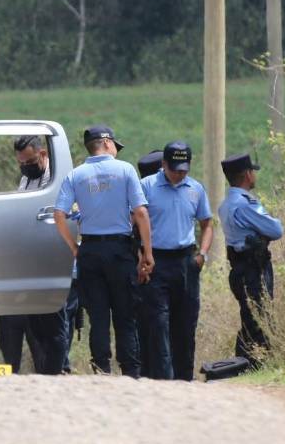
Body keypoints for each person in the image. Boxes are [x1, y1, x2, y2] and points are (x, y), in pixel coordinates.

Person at [53, 125, 153, 377]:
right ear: (107, 143)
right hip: (120, 250)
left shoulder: (75, 175)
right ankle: (130, 371)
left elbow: (58, 215)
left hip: (90, 251)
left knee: (98, 316)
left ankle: (101, 369)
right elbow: (140, 212)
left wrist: (75, 247)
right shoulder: (125, 170)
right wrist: (147, 253)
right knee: (125, 314)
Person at [140, 141, 213, 380]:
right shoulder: (146, 187)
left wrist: (202, 254)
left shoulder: (196, 189)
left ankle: (184, 378)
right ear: (163, 164)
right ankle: (164, 378)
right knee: (159, 322)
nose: (180, 173)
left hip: (186, 262)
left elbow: (207, 224)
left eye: (184, 168)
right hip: (156, 261)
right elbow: (134, 223)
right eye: (175, 168)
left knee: (186, 322)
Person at [0, 135, 69, 375]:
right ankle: (10, 376)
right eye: (21, 163)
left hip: (49, 264)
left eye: (29, 161)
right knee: (12, 331)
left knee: (49, 332)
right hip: (23, 266)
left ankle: (53, 375)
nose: (25, 166)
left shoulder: (57, 181)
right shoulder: (26, 180)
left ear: (44, 154)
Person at [218, 153, 284, 367]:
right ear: (247, 174)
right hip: (253, 269)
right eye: (252, 171)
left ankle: (247, 363)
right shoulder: (245, 205)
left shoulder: (227, 203)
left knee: (250, 317)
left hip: (239, 268)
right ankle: (254, 364)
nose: (254, 175)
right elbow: (276, 229)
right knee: (259, 318)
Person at [135, 149, 163, 378]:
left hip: (143, 265)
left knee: (147, 322)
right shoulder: (149, 200)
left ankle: (148, 370)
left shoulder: (138, 198)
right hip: (151, 264)